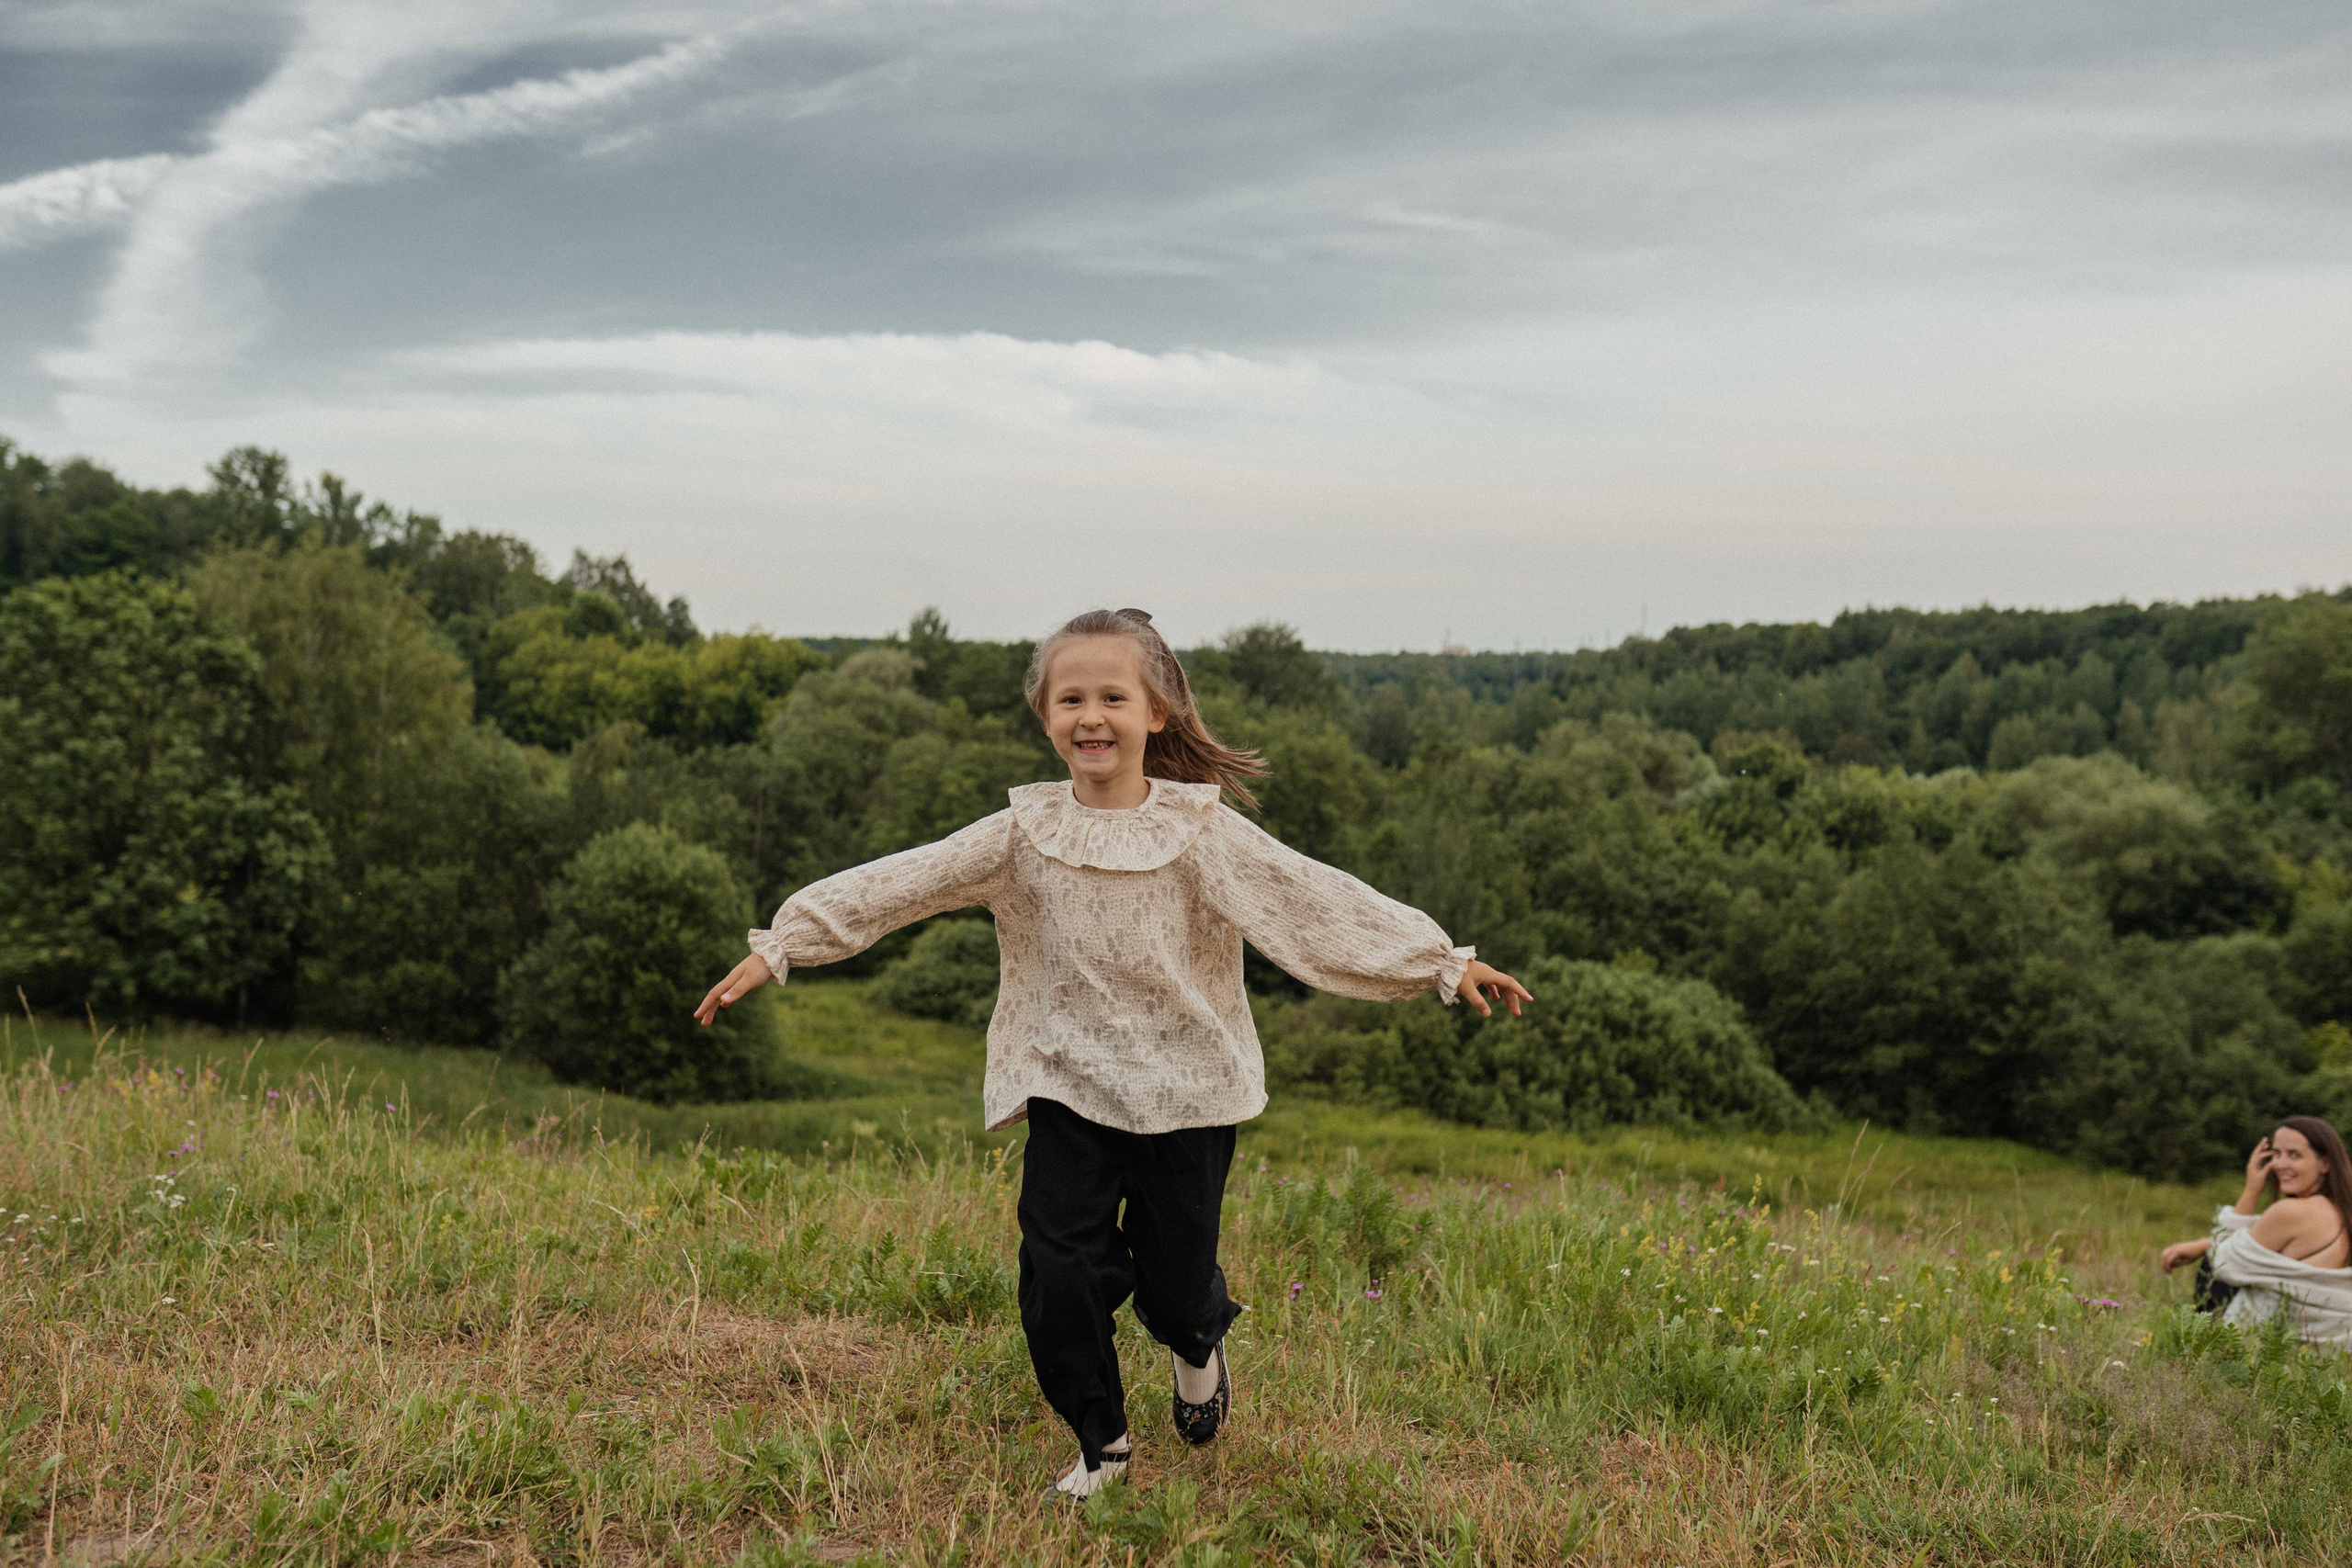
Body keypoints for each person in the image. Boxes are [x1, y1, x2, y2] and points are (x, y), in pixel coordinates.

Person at [694, 608, 1531, 1499]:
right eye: (1071, 699)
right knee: (1058, 1272)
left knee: (1175, 1287)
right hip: (1067, 1080)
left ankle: (1197, 1342)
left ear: (1155, 713)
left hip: (1189, 1090)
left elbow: (1308, 900)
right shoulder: (1020, 833)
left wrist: (1439, 961)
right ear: (1046, 716)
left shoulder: (1200, 830)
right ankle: (1104, 1444)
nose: (1090, 716)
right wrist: (785, 943)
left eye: (1112, 698)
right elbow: (905, 879)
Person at [2158, 1115, 2352, 1349]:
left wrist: (2251, 1190)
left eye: (2294, 1155)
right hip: (2332, 1349)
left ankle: (2205, 1343)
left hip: (2272, 1349)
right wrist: (2203, 1243)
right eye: (2277, 1154)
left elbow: (2223, 1262)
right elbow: (2253, 1237)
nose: (2280, 1165)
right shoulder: (2342, 1211)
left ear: (2325, 1164)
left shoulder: (2290, 1212)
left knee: (2211, 1267)